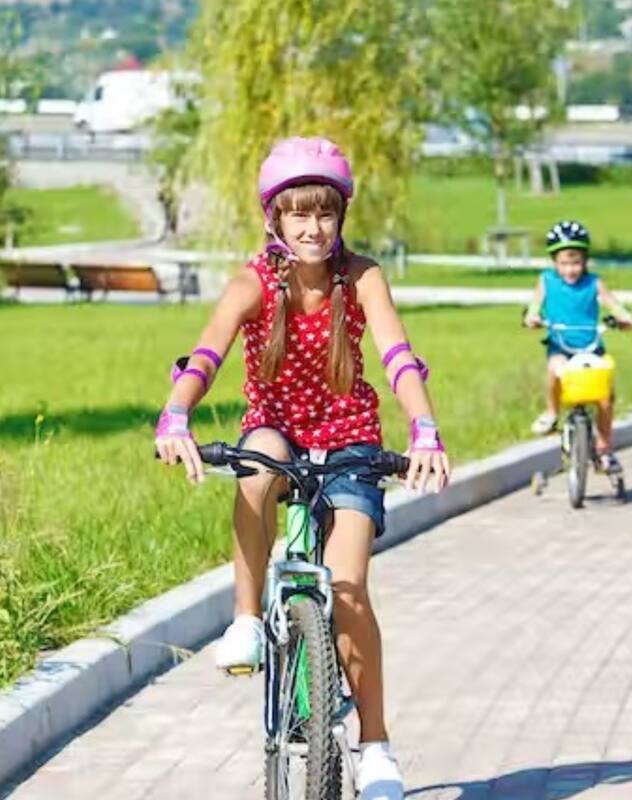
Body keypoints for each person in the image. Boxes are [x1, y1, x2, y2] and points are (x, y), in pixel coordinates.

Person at [154, 136, 449, 797]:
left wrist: (425, 430)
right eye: (298, 214)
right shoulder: (253, 283)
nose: (313, 228)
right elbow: (205, 356)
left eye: (325, 213)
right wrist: (175, 416)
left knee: (347, 590)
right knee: (259, 464)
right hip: (279, 434)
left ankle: (375, 746)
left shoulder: (362, 277)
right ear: (275, 220)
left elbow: (399, 357)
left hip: (351, 442)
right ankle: (246, 618)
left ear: (341, 217)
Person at [524, 220, 632, 473]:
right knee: (554, 370)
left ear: (585, 260)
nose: (570, 269)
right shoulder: (547, 280)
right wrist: (532, 317)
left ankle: (604, 449)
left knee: (605, 396)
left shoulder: (593, 283)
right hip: (560, 344)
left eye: (576, 263)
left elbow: (612, 303)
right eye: (564, 263)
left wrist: (625, 317)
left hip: (591, 346)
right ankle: (552, 412)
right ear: (554, 262)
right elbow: (535, 305)